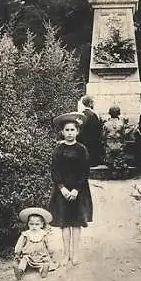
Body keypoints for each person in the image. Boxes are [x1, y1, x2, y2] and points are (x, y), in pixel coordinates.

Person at [49, 112, 93, 266]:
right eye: (66, 130)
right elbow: (55, 171)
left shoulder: (82, 149)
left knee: (76, 223)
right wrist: (62, 188)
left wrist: (76, 189)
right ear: (62, 132)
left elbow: (85, 171)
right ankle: (66, 254)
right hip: (62, 191)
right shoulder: (58, 150)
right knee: (65, 223)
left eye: (72, 130)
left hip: (79, 191)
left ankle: (75, 254)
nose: (69, 133)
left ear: (77, 132)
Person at [13, 207, 57, 281]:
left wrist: (51, 253)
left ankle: (43, 271)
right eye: (31, 224)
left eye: (37, 224)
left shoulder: (44, 234)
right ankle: (20, 271)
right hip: (28, 255)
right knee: (24, 261)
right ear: (28, 224)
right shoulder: (26, 234)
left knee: (44, 262)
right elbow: (20, 244)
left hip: (41, 255)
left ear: (42, 225)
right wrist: (17, 253)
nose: (34, 226)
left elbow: (49, 244)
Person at [101, 105, 127, 177]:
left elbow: (103, 135)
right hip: (119, 145)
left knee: (109, 159)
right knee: (119, 158)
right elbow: (123, 135)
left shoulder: (106, 124)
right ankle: (119, 168)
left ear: (109, 113)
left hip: (109, 146)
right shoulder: (121, 123)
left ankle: (113, 169)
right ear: (119, 114)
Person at [77, 95, 103, 166]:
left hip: (83, 139)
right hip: (92, 140)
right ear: (90, 103)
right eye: (93, 102)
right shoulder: (93, 115)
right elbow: (97, 129)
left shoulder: (81, 114)